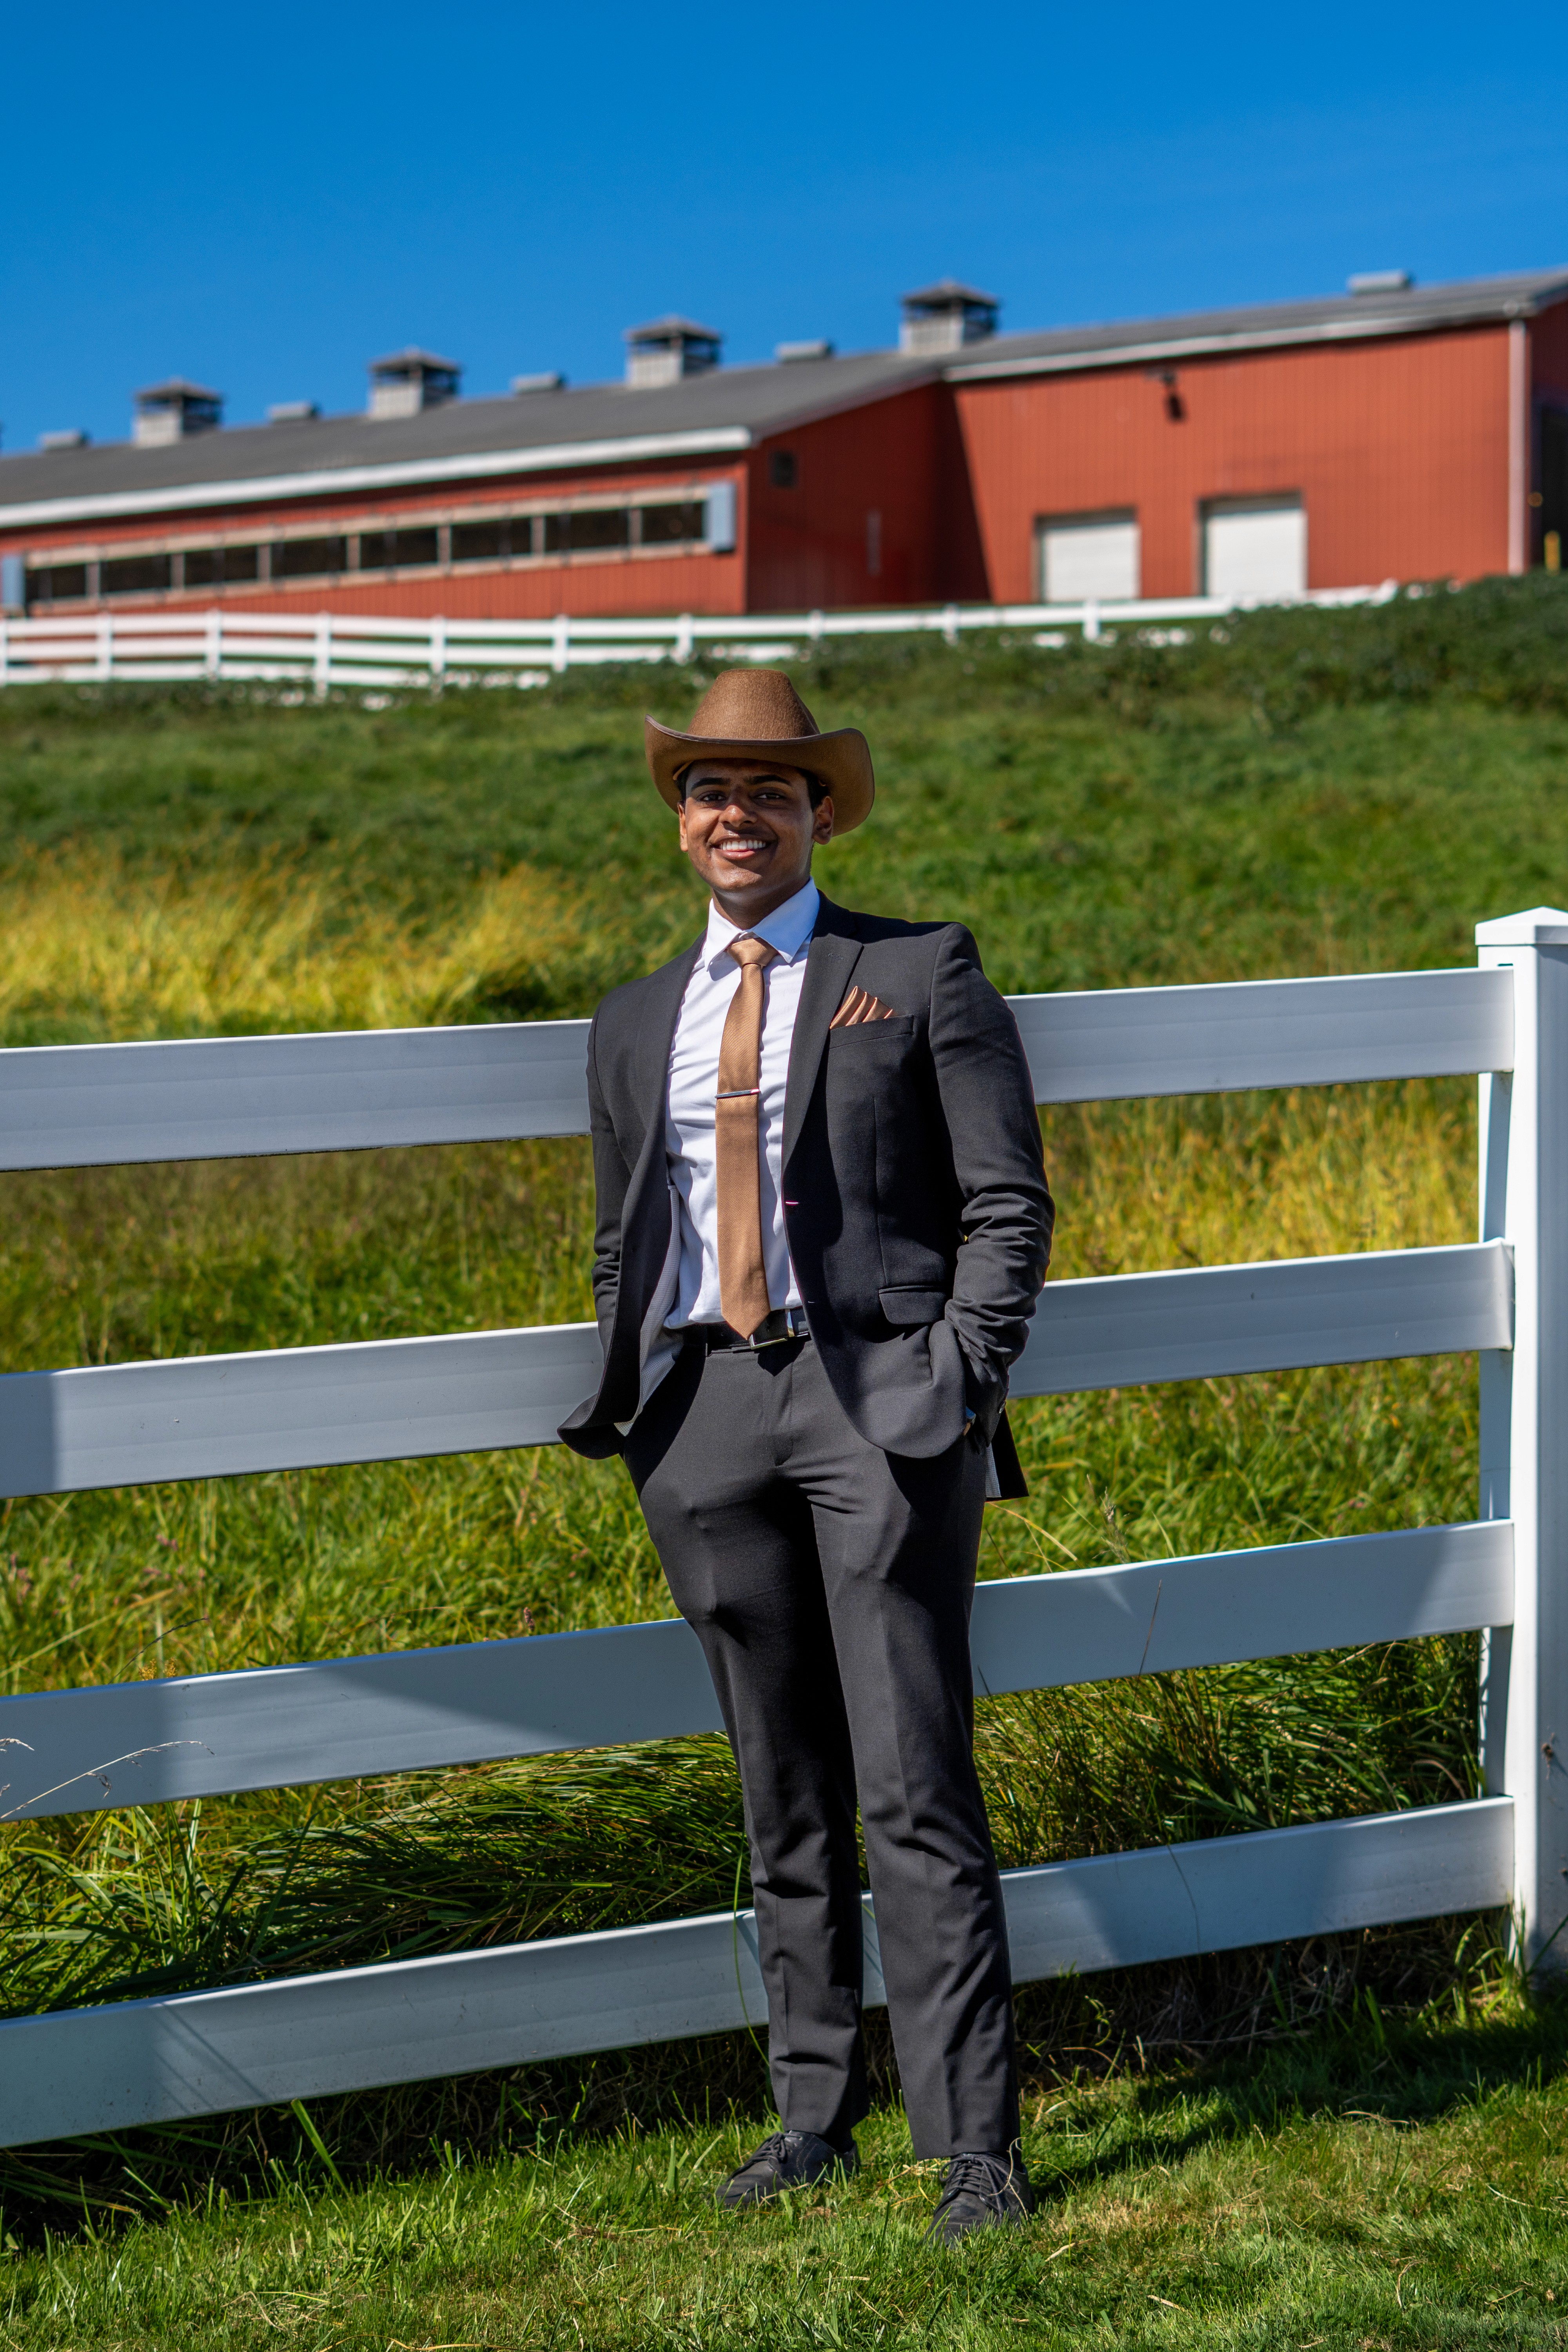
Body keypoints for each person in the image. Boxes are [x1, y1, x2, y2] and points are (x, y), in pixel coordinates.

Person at [559, 668, 1053, 2241]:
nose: (738, 815)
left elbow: (1006, 1203)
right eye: (711, 790)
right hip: (700, 1418)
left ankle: (972, 2150)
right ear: (679, 820)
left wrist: (959, 1378)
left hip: (880, 1412)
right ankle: (809, 2119)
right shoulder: (632, 1020)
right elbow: (619, 1231)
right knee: (779, 1793)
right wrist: (641, 1393)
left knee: (912, 1784)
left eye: (769, 791)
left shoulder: (914, 970)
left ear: (818, 813)